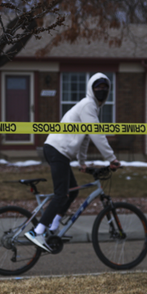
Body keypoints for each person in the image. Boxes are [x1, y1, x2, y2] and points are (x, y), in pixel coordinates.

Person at [25, 73, 121, 252]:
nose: (102, 90)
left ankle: (53, 228)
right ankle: (37, 231)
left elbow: (84, 138)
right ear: (91, 89)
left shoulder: (91, 108)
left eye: (105, 88)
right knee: (61, 194)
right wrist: (112, 159)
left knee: (73, 191)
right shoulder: (88, 105)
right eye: (98, 87)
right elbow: (96, 134)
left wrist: (82, 162)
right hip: (57, 150)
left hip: (59, 151)